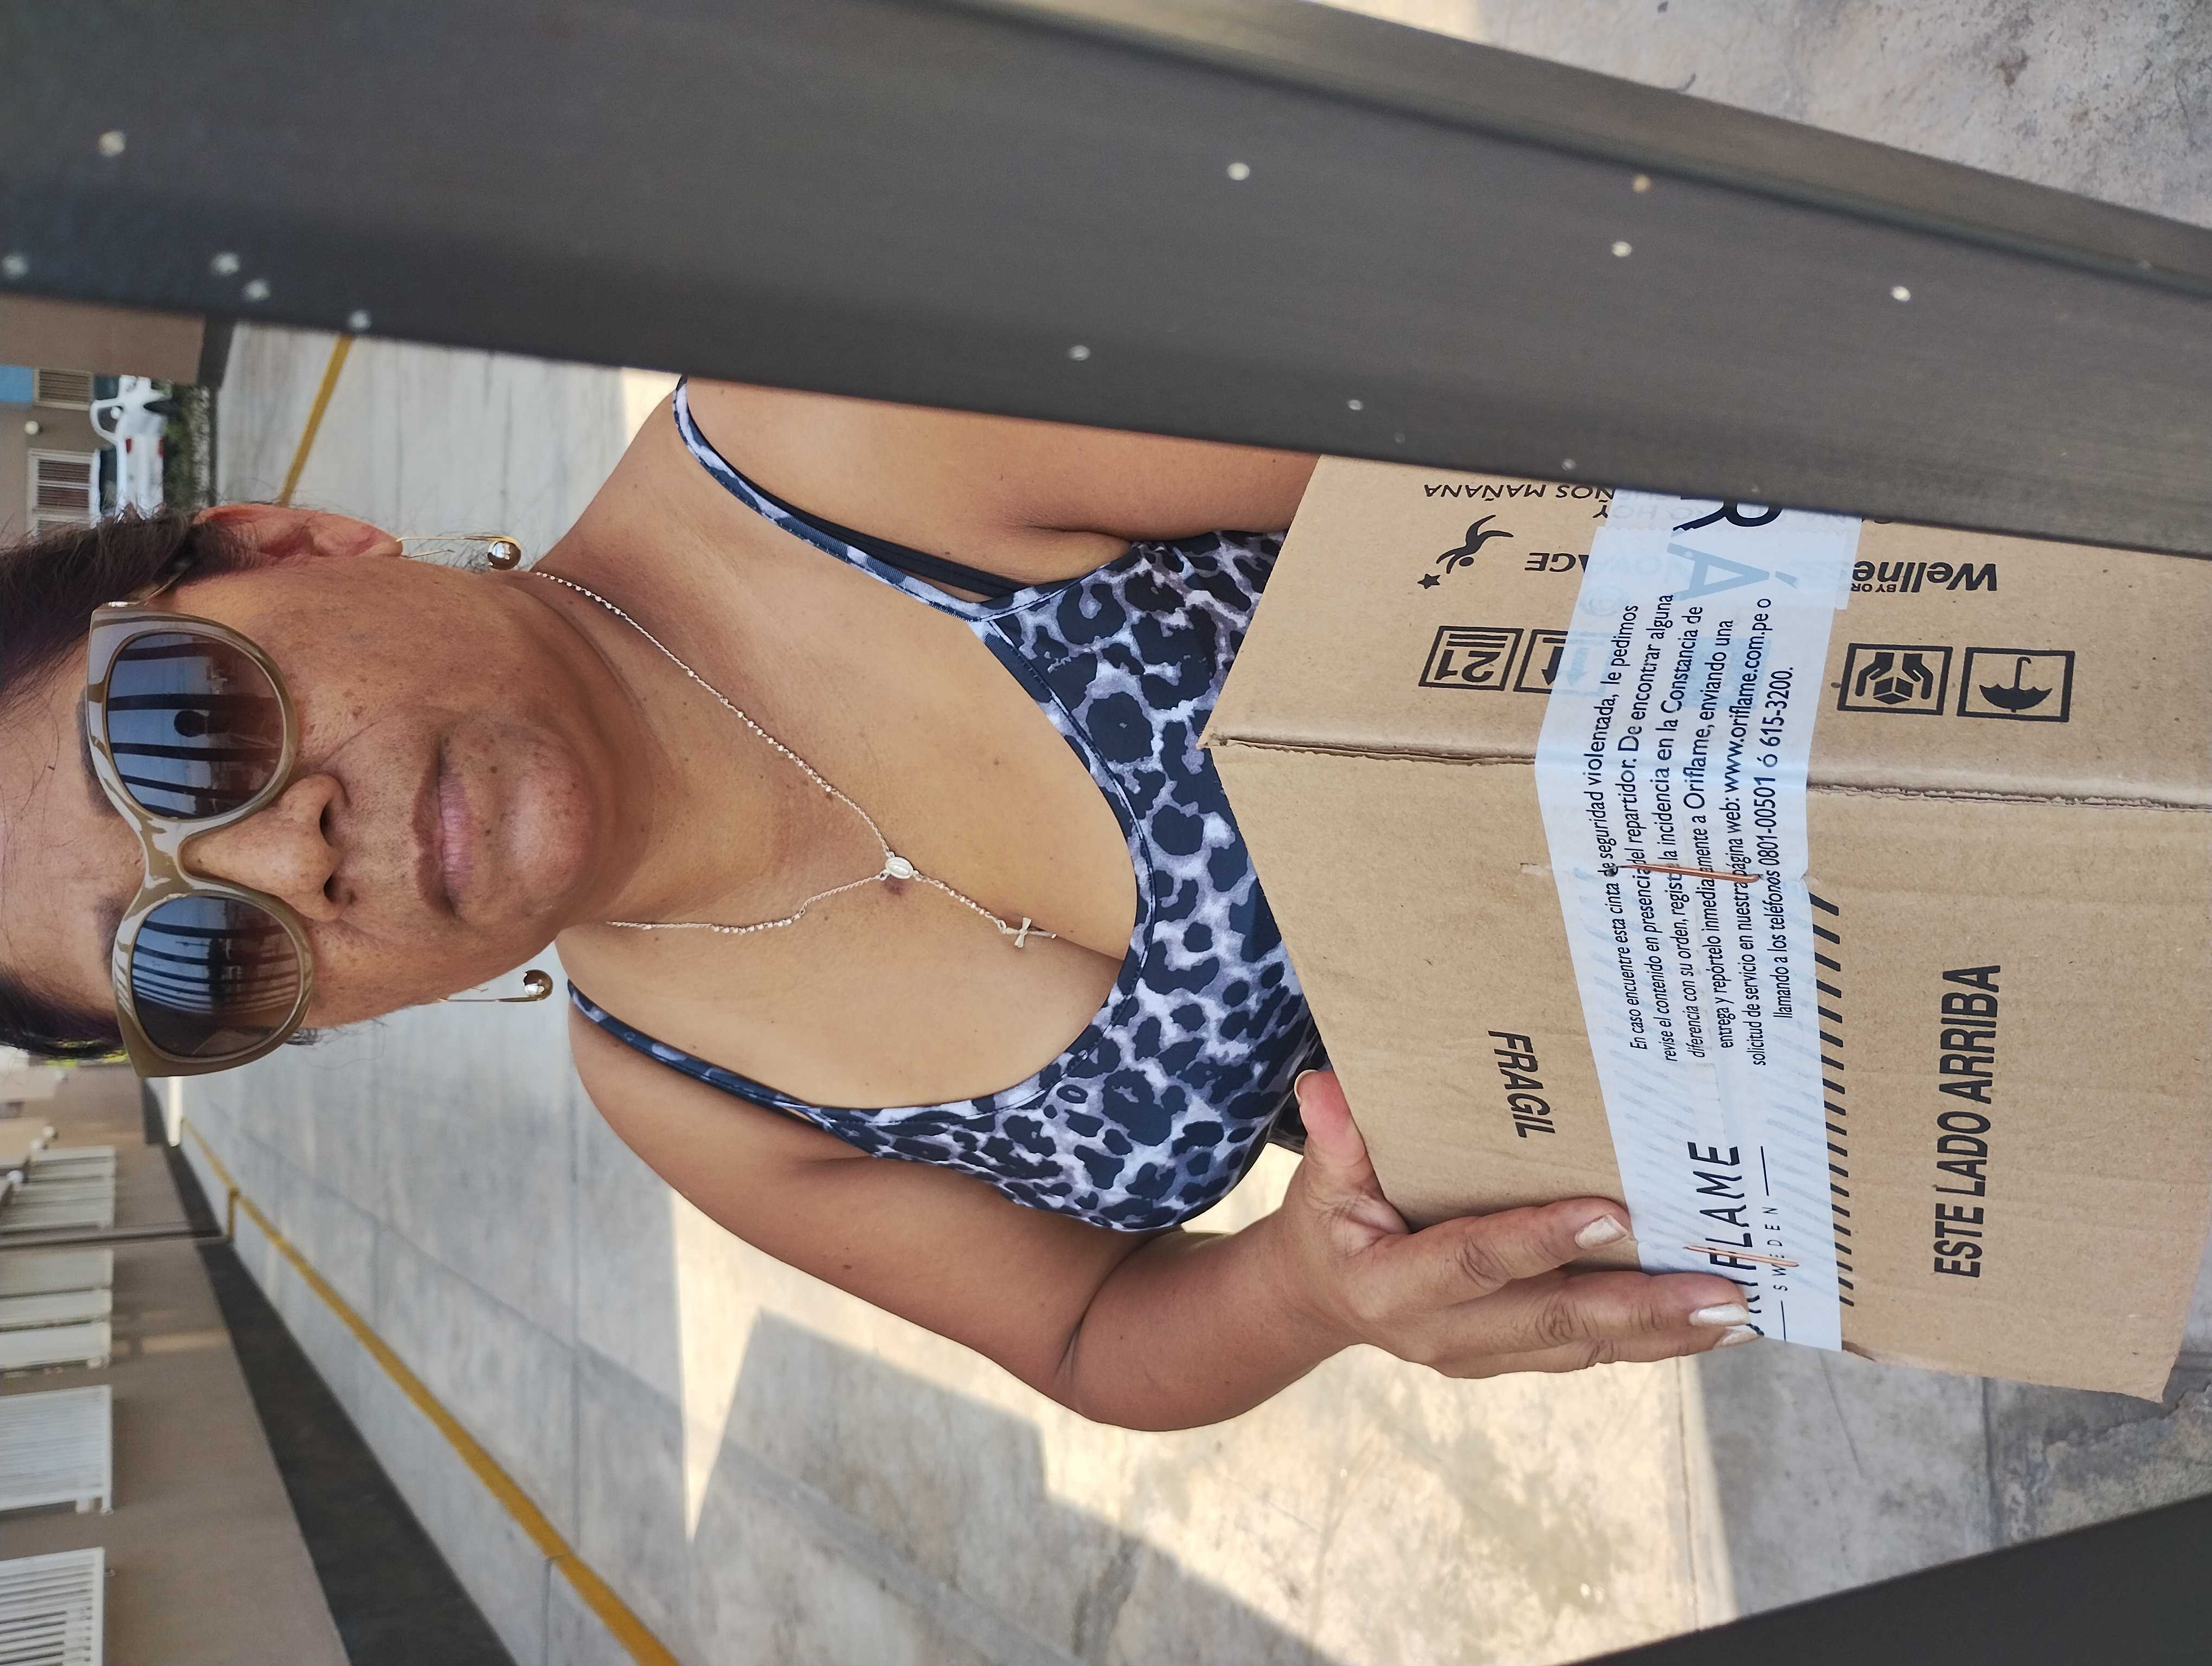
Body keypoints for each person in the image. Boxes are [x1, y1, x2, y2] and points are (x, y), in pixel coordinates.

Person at [1, 379, 1756, 1428]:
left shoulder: (826, 445)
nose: (287, 858)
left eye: (176, 735)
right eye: (193, 958)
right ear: (317, 1016)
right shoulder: (674, 1088)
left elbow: (1545, 434)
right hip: (1762, 1130)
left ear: (287, 546)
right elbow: (1086, 1333)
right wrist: (1314, 1290)